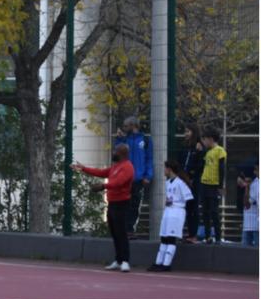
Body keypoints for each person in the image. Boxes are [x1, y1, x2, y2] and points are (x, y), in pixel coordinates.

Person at [72, 143, 134, 272]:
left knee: (121, 233)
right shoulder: (115, 167)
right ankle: (118, 260)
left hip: (122, 204)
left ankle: (125, 261)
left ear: (122, 153)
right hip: (112, 203)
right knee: (115, 233)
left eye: (115, 151)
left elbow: (119, 182)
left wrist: (103, 186)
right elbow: (101, 172)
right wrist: (84, 168)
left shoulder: (128, 167)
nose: (113, 153)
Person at [148, 161, 194, 272]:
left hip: (176, 212)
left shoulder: (180, 183)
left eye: (165, 168)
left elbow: (189, 200)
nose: (164, 171)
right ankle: (158, 262)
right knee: (164, 238)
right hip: (168, 212)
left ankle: (166, 264)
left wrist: (186, 214)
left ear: (169, 169)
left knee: (171, 238)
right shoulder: (168, 183)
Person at [113, 116, 153, 238]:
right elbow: (117, 155)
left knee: (134, 205)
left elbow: (149, 159)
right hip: (124, 178)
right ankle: (123, 229)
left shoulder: (145, 140)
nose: (124, 128)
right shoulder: (125, 140)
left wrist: (148, 175)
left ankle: (129, 229)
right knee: (123, 204)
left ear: (133, 126)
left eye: (126, 126)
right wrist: (119, 139)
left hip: (138, 178)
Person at [199, 126, 227, 244]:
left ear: (210, 139)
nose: (204, 142)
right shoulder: (207, 152)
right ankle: (207, 236)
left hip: (214, 185)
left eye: (205, 139)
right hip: (204, 184)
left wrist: (220, 186)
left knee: (214, 212)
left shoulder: (220, 151)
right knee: (205, 212)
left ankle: (218, 237)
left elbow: (222, 169)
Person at [181, 124, 204, 243]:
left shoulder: (199, 147)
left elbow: (200, 165)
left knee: (194, 207)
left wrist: (192, 176)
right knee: (187, 207)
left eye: (188, 131)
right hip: (184, 180)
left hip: (194, 182)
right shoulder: (186, 147)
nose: (186, 134)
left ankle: (193, 234)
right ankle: (189, 232)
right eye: (185, 131)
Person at [239, 163, 258, 247]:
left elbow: (247, 204)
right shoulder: (248, 184)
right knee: (245, 250)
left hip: (257, 224)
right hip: (247, 223)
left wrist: (247, 187)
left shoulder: (257, 185)